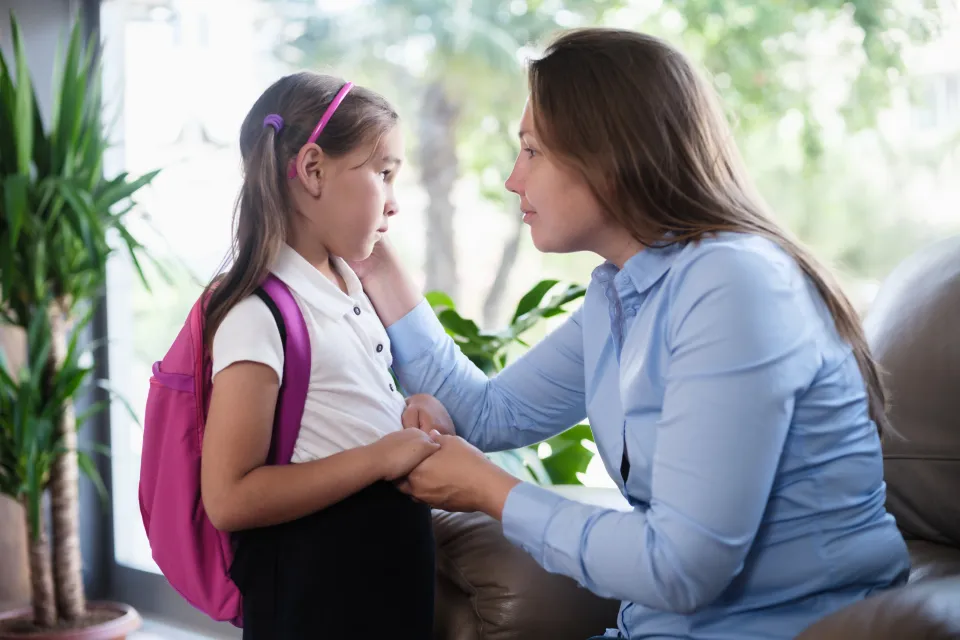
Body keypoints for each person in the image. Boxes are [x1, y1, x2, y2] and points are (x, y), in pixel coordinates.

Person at [355, 28, 911, 640]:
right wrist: (374, 260)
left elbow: (681, 568)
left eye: (532, 150)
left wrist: (492, 490)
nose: (515, 179)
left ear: (608, 157)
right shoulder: (623, 291)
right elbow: (491, 412)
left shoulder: (734, 284)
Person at [199, 72, 440, 639]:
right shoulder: (258, 316)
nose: (395, 202)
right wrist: (380, 458)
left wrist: (412, 409)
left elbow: (337, 415)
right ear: (312, 170)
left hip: (380, 589)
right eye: (383, 174)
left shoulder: (345, 286)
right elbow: (229, 498)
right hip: (318, 601)